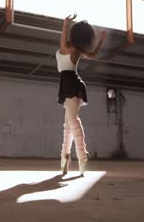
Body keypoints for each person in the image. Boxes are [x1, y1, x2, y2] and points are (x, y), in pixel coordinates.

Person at [56, 14, 106, 176]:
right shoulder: (77, 49)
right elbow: (92, 55)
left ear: (73, 33)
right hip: (71, 82)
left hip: (69, 82)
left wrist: (65, 24)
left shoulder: (68, 48)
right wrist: (101, 42)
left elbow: (63, 40)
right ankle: (65, 157)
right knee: (68, 124)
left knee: (71, 121)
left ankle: (82, 155)